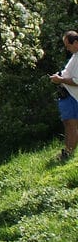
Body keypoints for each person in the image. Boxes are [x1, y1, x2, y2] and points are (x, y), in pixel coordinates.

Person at [49, 30, 78, 161]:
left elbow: (77, 80)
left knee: (71, 124)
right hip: (67, 94)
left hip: (73, 96)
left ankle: (69, 153)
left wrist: (60, 80)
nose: (67, 48)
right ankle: (66, 151)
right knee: (67, 123)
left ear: (76, 42)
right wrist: (59, 76)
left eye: (68, 45)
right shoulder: (75, 56)